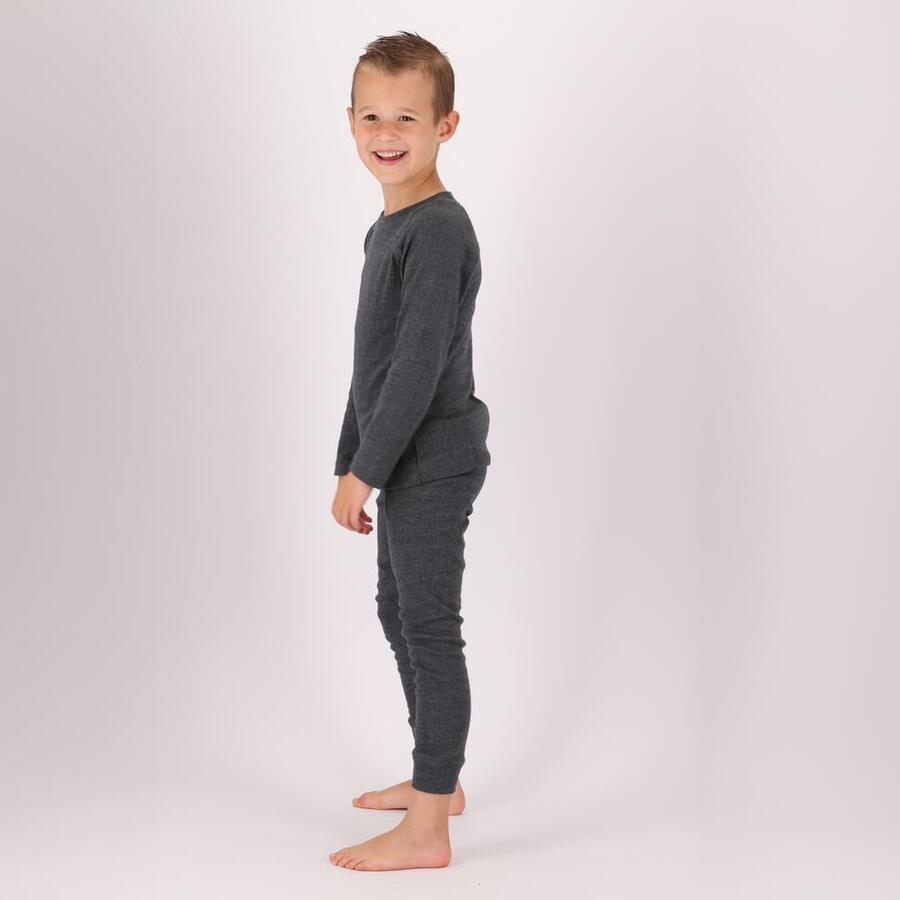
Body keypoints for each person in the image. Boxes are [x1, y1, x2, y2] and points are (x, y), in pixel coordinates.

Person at [328, 31, 492, 871]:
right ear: (350, 121)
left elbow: (418, 372)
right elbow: (374, 365)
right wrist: (347, 458)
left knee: (428, 627)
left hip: (434, 461)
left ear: (445, 126)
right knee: (397, 612)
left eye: (407, 118)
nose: (386, 133)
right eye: (371, 116)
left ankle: (429, 828)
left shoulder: (437, 233)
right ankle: (439, 778)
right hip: (403, 458)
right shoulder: (389, 226)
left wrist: (366, 470)